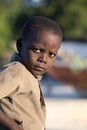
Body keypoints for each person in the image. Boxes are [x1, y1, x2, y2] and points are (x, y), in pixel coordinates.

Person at [0, 16, 62, 130]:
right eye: (37, 50)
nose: (43, 59)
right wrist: (13, 126)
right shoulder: (16, 71)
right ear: (20, 45)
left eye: (51, 54)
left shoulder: (31, 75)